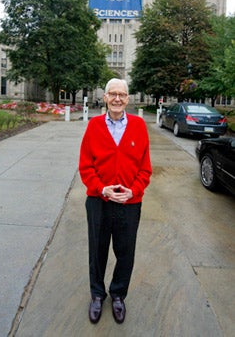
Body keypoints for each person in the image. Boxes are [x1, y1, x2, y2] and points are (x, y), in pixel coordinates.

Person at [79, 78, 152, 324]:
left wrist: (133, 191)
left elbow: (145, 169)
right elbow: (85, 167)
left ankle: (118, 294)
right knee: (97, 252)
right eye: (113, 94)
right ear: (105, 97)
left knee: (125, 253)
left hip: (129, 204)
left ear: (128, 99)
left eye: (122, 94)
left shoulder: (140, 126)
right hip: (99, 202)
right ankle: (97, 295)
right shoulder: (94, 126)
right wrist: (102, 189)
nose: (117, 98)